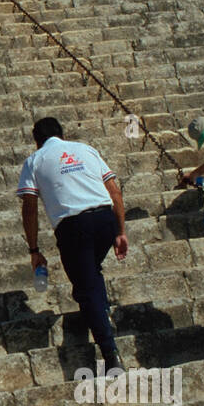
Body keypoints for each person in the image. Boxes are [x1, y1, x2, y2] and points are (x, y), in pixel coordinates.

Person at [17, 116, 129, 371]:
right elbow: (114, 191)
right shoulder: (85, 149)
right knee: (90, 274)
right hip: (104, 219)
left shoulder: (35, 161)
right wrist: (121, 230)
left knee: (85, 287)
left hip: (73, 227)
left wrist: (34, 250)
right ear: (62, 133)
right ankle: (100, 313)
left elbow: (30, 207)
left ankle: (110, 353)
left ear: (37, 141)